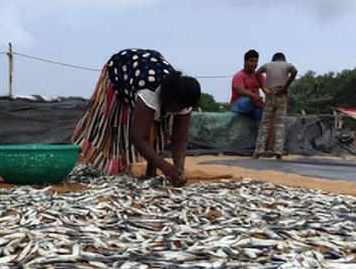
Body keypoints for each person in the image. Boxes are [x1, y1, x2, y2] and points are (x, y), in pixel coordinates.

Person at [72, 48, 201, 187]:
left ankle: (151, 171)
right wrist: (165, 167)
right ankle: (108, 167)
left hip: (149, 70)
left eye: (183, 107)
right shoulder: (149, 91)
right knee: (117, 123)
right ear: (168, 98)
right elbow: (138, 137)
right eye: (177, 106)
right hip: (122, 70)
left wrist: (178, 169)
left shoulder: (184, 98)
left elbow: (180, 140)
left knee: (160, 126)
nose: (179, 110)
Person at [253, 52, 298, 159]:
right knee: (280, 123)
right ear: (283, 59)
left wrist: (263, 88)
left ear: (273, 59)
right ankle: (278, 151)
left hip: (270, 94)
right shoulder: (287, 65)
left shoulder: (268, 65)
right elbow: (295, 71)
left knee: (265, 123)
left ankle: (259, 150)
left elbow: (257, 73)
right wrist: (285, 87)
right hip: (281, 94)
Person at [230, 49, 265, 123]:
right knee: (250, 99)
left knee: (265, 113)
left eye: (256, 61)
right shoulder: (239, 76)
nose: (254, 63)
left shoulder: (259, 76)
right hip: (240, 105)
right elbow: (240, 90)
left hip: (255, 106)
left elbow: (267, 87)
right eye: (252, 61)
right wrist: (254, 96)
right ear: (245, 61)